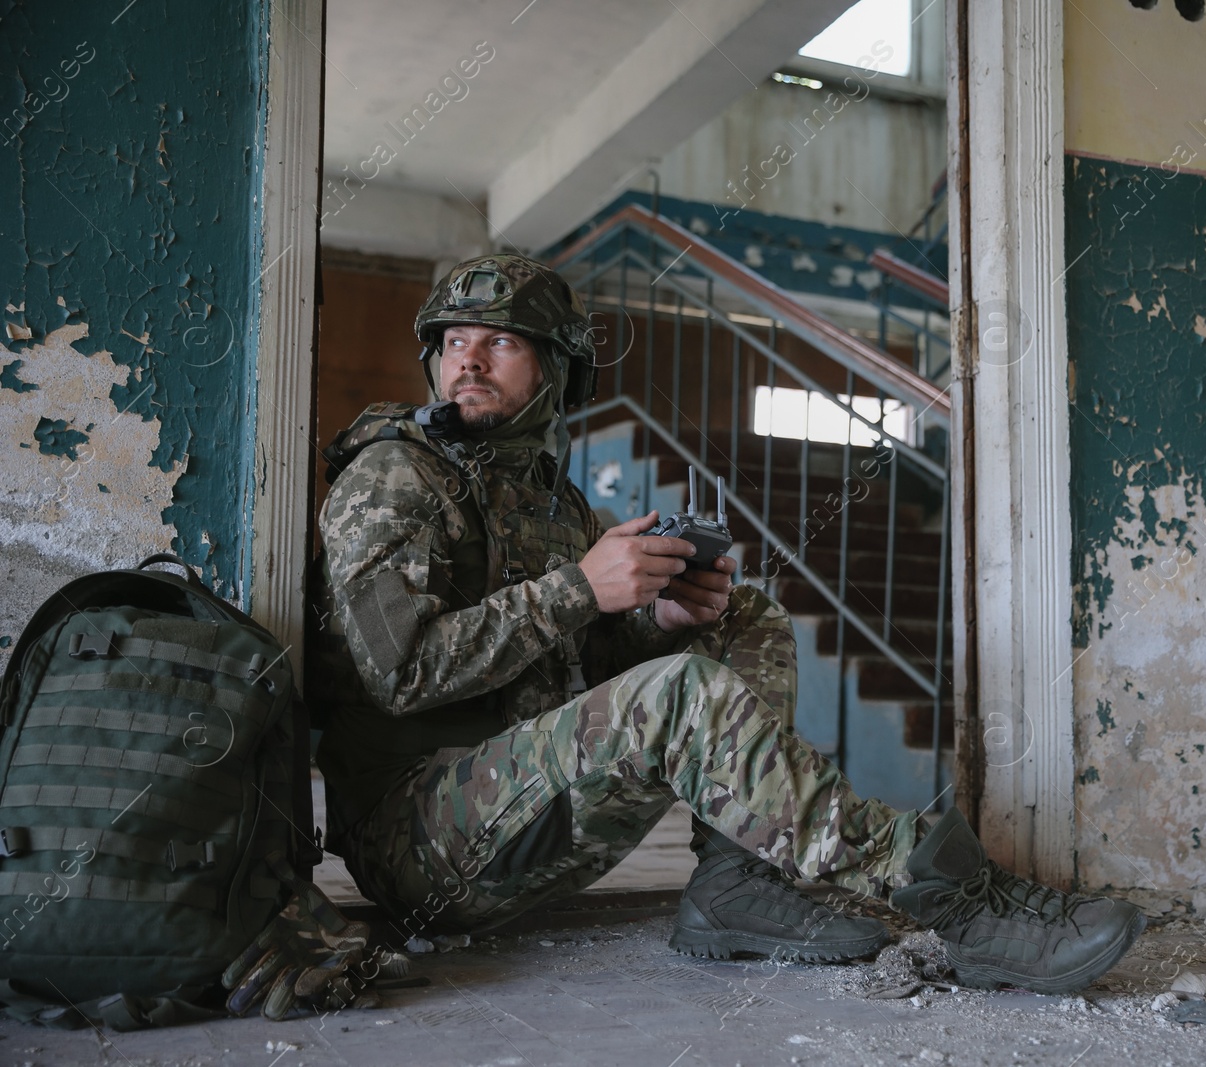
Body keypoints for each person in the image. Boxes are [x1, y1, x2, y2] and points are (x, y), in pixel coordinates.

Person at [304, 253, 1145, 1003]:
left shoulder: (552, 503)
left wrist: (653, 623)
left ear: (558, 371)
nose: (469, 360)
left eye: (501, 342)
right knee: (678, 692)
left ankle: (737, 880)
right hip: (421, 843)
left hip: (523, 805)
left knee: (743, 616)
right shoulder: (394, 475)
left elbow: (572, 670)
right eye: (454, 341)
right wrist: (578, 587)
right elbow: (398, 672)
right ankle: (947, 891)